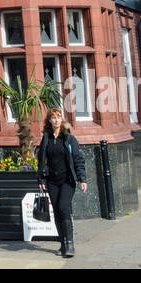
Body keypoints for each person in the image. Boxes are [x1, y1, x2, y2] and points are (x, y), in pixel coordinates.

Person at [38, 106, 87, 257]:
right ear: (49, 121)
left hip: (67, 179)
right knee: (57, 212)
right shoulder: (46, 138)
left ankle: (70, 244)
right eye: (53, 117)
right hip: (52, 181)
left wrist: (82, 178)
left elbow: (78, 159)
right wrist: (41, 179)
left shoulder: (69, 138)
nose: (56, 120)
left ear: (62, 119)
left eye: (59, 117)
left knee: (63, 207)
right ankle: (62, 243)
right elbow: (41, 161)